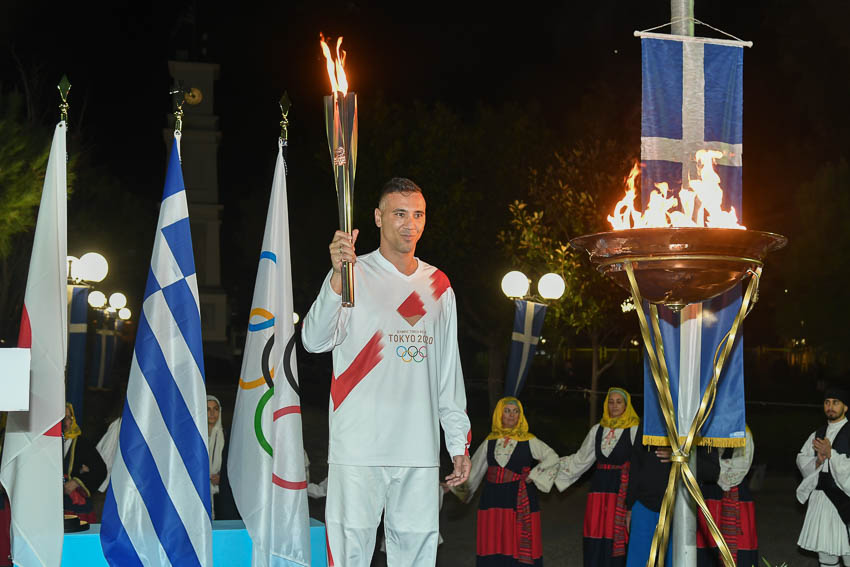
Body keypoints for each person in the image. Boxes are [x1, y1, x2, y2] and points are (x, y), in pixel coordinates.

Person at [302, 177, 471, 567]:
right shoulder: (353, 274)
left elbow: (448, 374)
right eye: (399, 213)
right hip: (359, 446)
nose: (410, 224)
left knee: (416, 553)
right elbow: (313, 341)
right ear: (378, 218)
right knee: (348, 554)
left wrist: (457, 442)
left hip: (418, 448)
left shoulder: (438, 285)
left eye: (418, 214)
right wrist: (335, 277)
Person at [459, 397, 558, 566]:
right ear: (499, 414)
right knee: (494, 540)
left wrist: (533, 475)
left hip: (520, 498)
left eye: (515, 411)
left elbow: (552, 458)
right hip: (493, 499)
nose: (511, 415)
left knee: (517, 542)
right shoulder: (490, 441)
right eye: (507, 411)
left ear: (520, 415)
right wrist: (454, 486)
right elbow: (474, 470)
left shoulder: (529, 440)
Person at [555, 387, 640, 567]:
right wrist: (550, 466)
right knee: (595, 533)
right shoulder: (597, 430)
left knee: (617, 536)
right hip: (599, 490)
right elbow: (581, 459)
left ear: (626, 405)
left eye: (619, 402)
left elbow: (641, 464)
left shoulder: (635, 430)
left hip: (621, 490)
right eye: (611, 401)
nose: (614, 406)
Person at [796, 387, 850, 566]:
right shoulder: (818, 434)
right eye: (827, 402)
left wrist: (831, 454)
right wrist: (817, 462)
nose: (830, 407)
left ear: (845, 407)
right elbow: (802, 459)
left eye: (836, 403)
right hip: (822, 502)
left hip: (845, 502)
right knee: (826, 557)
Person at [695, 428, 758, 567]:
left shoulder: (743, 431)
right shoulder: (706, 428)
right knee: (707, 545)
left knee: (738, 548)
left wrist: (715, 468)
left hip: (735, 494)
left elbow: (740, 467)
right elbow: (698, 461)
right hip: (708, 494)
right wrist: (714, 467)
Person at [624, 424, 673, 567]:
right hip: (643, 504)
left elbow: (709, 469)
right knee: (638, 560)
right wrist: (630, 506)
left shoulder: (689, 416)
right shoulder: (648, 419)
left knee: (672, 560)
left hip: (677, 508)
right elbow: (636, 464)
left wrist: (678, 456)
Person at [62, 403, 107, 523]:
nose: (64, 422)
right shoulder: (47, 443)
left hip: (74, 506)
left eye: (67, 418)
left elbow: (100, 470)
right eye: (60, 417)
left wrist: (77, 481)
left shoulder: (82, 444)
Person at [207, 395, 225, 519]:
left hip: (220, 492)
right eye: (208, 409)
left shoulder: (226, 435)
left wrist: (221, 478)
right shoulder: (196, 436)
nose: (212, 413)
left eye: (215, 409)